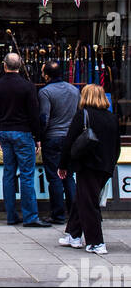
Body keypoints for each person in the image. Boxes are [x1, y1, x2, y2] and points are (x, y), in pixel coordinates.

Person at [57, 83, 120, 255]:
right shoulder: (112, 117)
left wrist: (63, 165)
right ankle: (73, 234)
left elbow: (69, 142)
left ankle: (96, 242)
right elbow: (117, 145)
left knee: (88, 203)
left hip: (87, 165)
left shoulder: (82, 115)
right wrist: (111, 164)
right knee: (83, 198)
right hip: (105, 167)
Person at [0, 51, 50, 227]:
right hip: (23, 132)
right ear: (20, 65)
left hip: (5, 132)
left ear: (4, 65)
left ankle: (11, 215)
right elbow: (33, 114)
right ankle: (30, 216)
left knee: (8, 173)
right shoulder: (27, 86)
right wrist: (37, 137)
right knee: (26, 175)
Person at [39, 60, 79, 225]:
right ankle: (74, 212)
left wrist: (39, 137)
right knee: (69, 176)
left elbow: (44, 118)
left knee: (55, 177)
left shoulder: (45, 92)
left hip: (53, 137)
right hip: (70, 137)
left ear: (47, 75)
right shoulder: (74, 90)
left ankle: (58, 214)